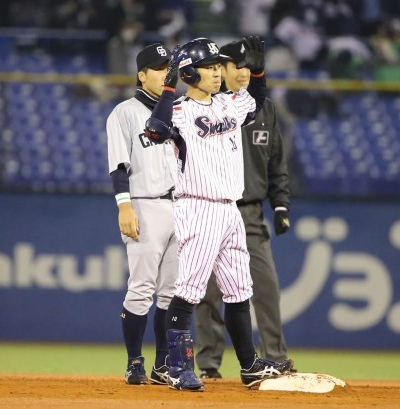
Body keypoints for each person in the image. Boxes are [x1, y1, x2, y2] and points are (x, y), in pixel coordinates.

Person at [144, 36, 294, 391]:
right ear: (189, 73)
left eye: (216, 67)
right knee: (189, 290)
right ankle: (176, 367)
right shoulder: (179, 111)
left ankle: (249, 366)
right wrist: (169, 88)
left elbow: (256, 100)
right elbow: (154, 130)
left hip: (230, 210)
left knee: (239, 291)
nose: (216, 73)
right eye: (209, 67)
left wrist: (258, 71)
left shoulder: (228, 104)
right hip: (198, 207)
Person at [194, 40, 292, 380]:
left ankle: (276, 358)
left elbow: (277, 163)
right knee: (208, 293)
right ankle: (209, 365)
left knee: (266, 287)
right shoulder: (210, 107)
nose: (243, 72)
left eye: (249, 66)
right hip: (213, 209)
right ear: (220, 69)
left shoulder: (265, 109)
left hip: (250, 213)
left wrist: (281, 205)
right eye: (237, 65)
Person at [106, 43, 178, 386]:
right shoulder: (124, 113)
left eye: (169, 68)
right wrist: (124, 205)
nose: (166, 74)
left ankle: (163, 365)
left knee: (172, 292)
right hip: (145, 204)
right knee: (141, 289)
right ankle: (134, 362)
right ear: (141, 74)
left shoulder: (179, 110)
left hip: (181, 205)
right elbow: (119, 165)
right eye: (160, 68)